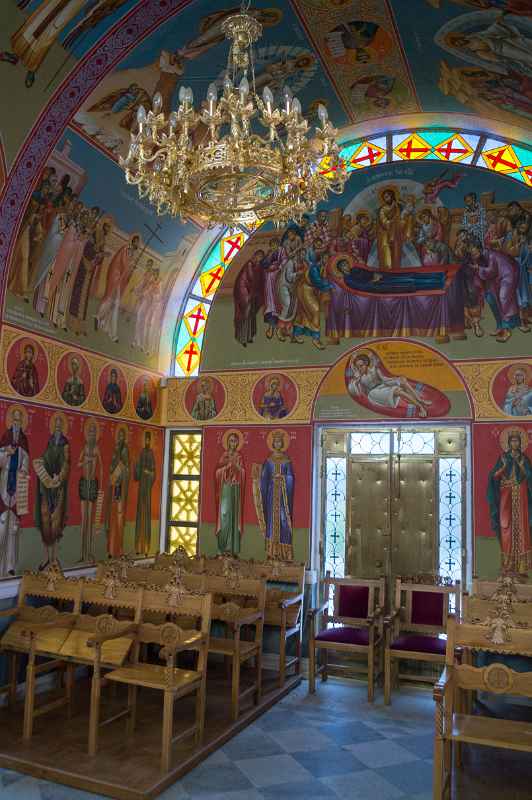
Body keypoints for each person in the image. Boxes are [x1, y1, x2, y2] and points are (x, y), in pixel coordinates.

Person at [487, 430, 532, 575]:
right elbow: (494, 477)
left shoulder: (524, 458)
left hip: (521, 498)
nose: (515, 443)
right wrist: (504, 467)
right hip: (506, 498)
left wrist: (521, 465)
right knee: (506, 527)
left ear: (520, 443)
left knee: (522, 528)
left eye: (517, 441)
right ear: (508, 443)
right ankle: (508, 564)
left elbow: (529, 476)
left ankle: (522, 566)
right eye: (512, 441)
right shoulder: (503, 458)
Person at [33, 414, 70, 570]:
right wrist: (39, 462)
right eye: (55, 424)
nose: (57, 427)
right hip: (46, 488)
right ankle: (45, 558)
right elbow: (45, 458)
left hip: (58, 489)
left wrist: (59, 477)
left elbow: (66, 463)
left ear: (62, 428)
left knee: (56, 523)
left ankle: (54, 559)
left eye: (60, 425)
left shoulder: (65, 444)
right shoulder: (49, 441)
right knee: (44, 521)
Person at [347, 351, 433, 417]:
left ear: (366, 364)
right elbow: (358, 394)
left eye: (361, 365)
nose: (360, 368)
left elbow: (385, 380)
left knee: (402, 382)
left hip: (382, 386)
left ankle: (420, 400)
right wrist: (356, 382)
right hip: (373, 393)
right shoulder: (359, 378)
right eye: (358, 367)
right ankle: (420, 407)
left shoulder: (374, 370)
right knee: (398, 391)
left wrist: (397, 380)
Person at [252, 430, 294, 561]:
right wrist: (257, 478)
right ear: (272, 443)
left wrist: (284, 478)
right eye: (275, 441)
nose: (277, 443)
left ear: (282, 443)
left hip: (282, 496)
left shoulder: (286, 460)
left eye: (279, 441)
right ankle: (271, 553)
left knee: (283, 520)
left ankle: (283, 553)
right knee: (271, 521)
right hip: (271, 496)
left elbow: (291, 478)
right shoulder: (269, 461)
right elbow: (263, 479)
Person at [468, 241, 520, 342]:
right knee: (490, 298)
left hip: (507, 275)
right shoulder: (480, 258)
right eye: (472, 254)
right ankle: (500, 326)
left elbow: (491, 271)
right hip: (496, 279)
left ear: (480, 249)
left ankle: (507, 330)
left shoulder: (491, 255)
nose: (474, 256)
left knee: (503, 298)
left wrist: (478, 268)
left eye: (475, 253)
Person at [0, 408, 29, 576]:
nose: (17, 424)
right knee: (2, 525)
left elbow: (26, 458)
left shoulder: (23, 439)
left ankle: (10, 566)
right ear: (11, 422)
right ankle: (1, 564)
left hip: (18, 484)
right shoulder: (6, 436)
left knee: (14, 528)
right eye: (15, 421)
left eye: (19, 421)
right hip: (4, 482)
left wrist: (24, 469)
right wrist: (6, 453)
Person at [95, 234, 140, 343]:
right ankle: (101, 319)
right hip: (116, 278)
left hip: (121, 281)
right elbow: (119, 264)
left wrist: (131, 269)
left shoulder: (132, 254)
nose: (137, 244)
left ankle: (109, 328)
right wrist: (129, 266)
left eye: (138, 243)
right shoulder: (125, 249)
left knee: (115, 304)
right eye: (136, 242)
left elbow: (127, 268)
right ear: (132, 241)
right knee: (111, 300)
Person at [214, 430, 245, 555]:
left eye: (235, 441)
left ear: (237, 443)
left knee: (234, 516)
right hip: (225, 489)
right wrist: (226, 467)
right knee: (224, 514)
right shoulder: (224, 456)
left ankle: (232, 548)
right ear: (228, 442)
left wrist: (236, 467)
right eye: (231, 440)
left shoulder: (239, 457)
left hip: (235, 489)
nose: (233, 443)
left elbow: (242, 473)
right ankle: (223, 547)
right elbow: (217, 472)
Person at [78, 420, 102, 562]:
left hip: (92, 484)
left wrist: (101, 487)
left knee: (91, 519)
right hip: (83, 483)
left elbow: (102, 466)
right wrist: (85, 462)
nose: (92, 434)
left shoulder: (97, 449)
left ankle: (90, 552)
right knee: (83, 519)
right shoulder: (85, 447)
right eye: (90, 432)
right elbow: (78, 463)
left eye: (94, 432)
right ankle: (82, 553)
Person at [106, 427, 129, 557]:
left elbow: (125, 467)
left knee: (119, 517)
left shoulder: (124, 449)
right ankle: (111, 548)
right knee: (112, 517)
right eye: (118, 435)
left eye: (122, 435)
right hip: (114, 487)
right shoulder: (115, 449)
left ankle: (119, 549)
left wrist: (119, 473)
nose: (120, 438)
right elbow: (111, 466)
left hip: (120, 488)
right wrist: (112, 473)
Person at [134, 431, 156, 556]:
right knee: (139, 514)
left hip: (147, 488)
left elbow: (153, 472)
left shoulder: (151, 453)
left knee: (146, 513)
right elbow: (136, 475)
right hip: (141, 487)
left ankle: (146, 547)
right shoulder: (142, 452)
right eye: (145, 440)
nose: (147, 442)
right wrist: (136, 467)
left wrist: (147, 472)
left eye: (148, 440)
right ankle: (138, 546)